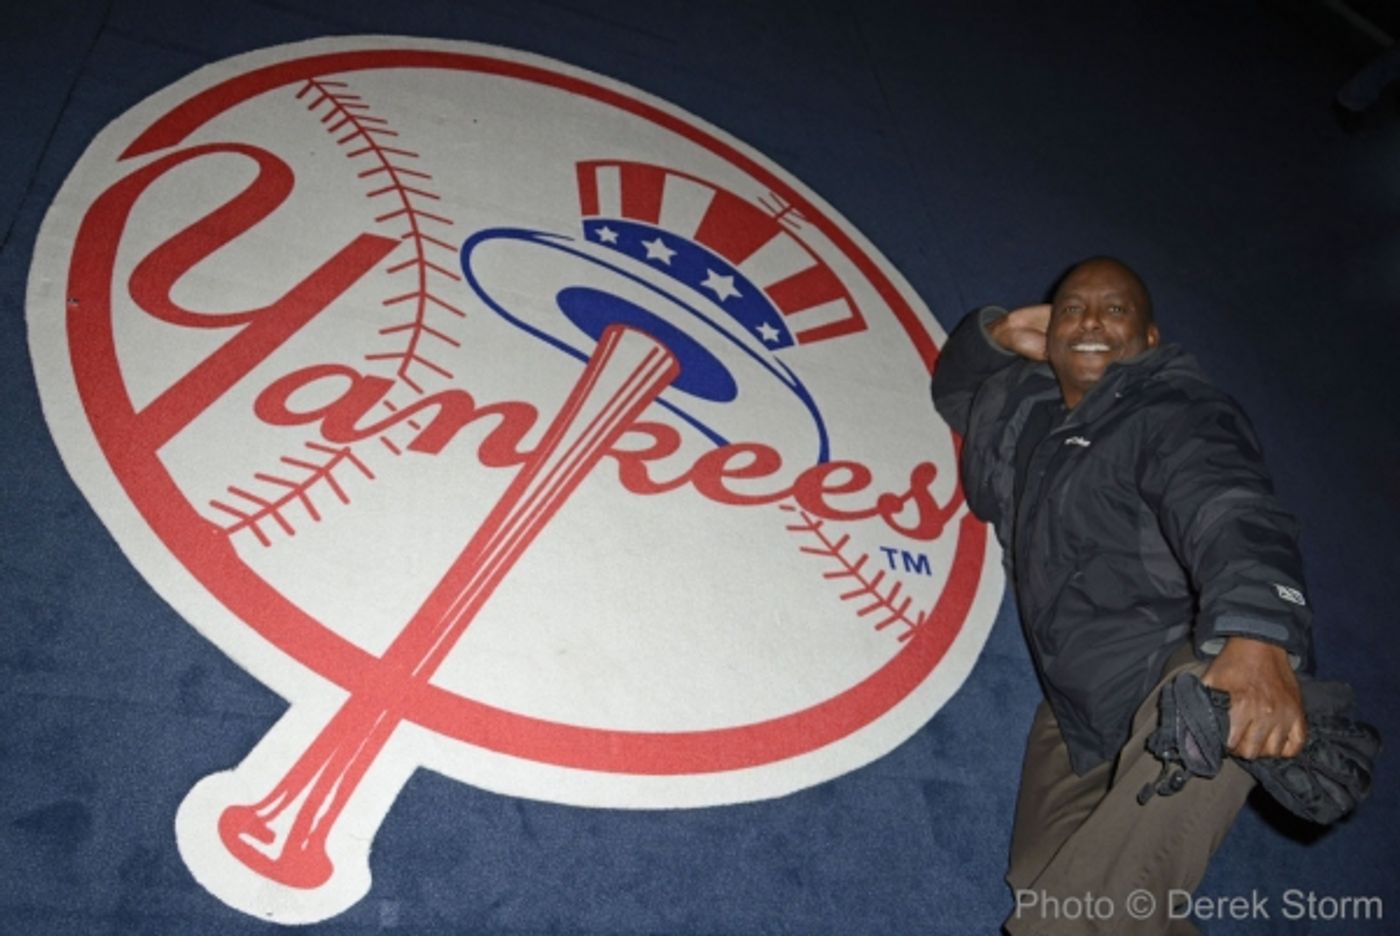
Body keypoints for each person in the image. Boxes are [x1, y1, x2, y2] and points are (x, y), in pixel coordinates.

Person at [930, 257, 1313, 934]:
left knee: (1077, 918)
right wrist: (1001, 332)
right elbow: (956, 394)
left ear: (1151, 340)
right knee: (1050, 881)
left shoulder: (1176, 410)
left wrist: (1259, 633)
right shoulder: (1020, 403)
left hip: (1181, 669)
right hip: (1079, 698)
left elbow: (1228, 504)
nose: (1091, 322)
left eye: (1116, 310)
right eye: (1072, 309)